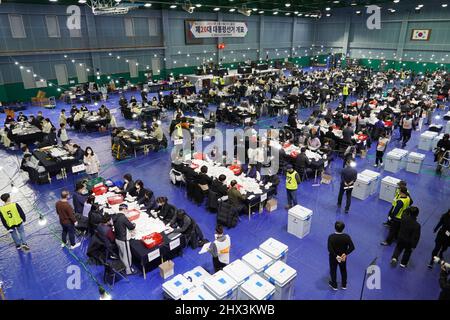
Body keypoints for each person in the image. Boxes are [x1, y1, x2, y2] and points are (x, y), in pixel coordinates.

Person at [327, 221, 355, 290]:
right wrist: (345, 254)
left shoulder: (331, 237)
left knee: (333, 270)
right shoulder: (346, 237)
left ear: (335, 227)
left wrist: (336, 256)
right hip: (343, 258)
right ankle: (344, 285)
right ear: (343, 228)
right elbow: (352, 247)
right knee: (343, 270)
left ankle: (334, 285)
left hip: (333, 257)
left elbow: (329, 249)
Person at [112, 203, 137, 275]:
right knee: (127, 256)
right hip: (123, 240)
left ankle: (123, 265)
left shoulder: (115, 216)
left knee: (122, 254)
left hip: (117, 238)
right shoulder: (123, 217)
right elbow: (131, 227)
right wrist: (133, 224)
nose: (127, 211)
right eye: (127, 210)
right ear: (124, 209)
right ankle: (129, 270)